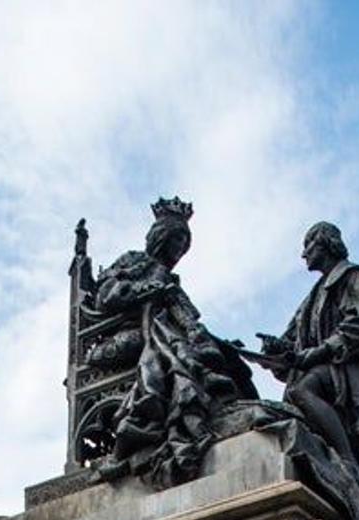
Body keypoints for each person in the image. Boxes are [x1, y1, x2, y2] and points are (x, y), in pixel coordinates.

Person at [92, 197, 256, 486]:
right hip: (125, 335)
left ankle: (227, 413)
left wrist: (216, 342)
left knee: (225, 358)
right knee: (172, 349)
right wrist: (148, 289)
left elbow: (189, 320)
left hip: (161, 331)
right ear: (161, 237)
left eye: (184, 244)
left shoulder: (172, 280)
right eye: (177, 240)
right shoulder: (133, 261)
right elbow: (106, 296)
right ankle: (157, 424)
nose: (179, 249)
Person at [258, 221, 359, 472]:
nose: (304, 254)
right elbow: (293, 341)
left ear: (326, 243)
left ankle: (347, 461)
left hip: (345, 371)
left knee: (301, 390)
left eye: (308, 245)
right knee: (294, 399)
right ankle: (335, 458)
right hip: (324, 369)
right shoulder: (312, 298)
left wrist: (322, 350)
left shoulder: (354, 276)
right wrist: (276, 349)